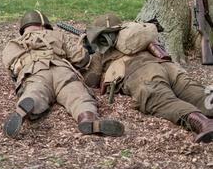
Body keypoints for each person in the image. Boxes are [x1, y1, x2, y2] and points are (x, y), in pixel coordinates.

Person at [82, 13, 213, 144]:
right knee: (196, 93)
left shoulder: (102, 52)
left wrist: (85, 53)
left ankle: (202, 123)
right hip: (169, 68)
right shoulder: (139, 38)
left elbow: (90, 80)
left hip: (143, 73)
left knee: (162, 100)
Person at [1, 10, 124, 138]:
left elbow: (12, 69)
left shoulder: (14, 43)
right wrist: (83, 47)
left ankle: (24, 108)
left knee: (35, 92)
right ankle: (87, 118)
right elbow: (81, 59)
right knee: (78, 96)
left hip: (36, 72)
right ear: (44, 25)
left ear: (23, 28)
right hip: (62, 70)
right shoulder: (57, 35)